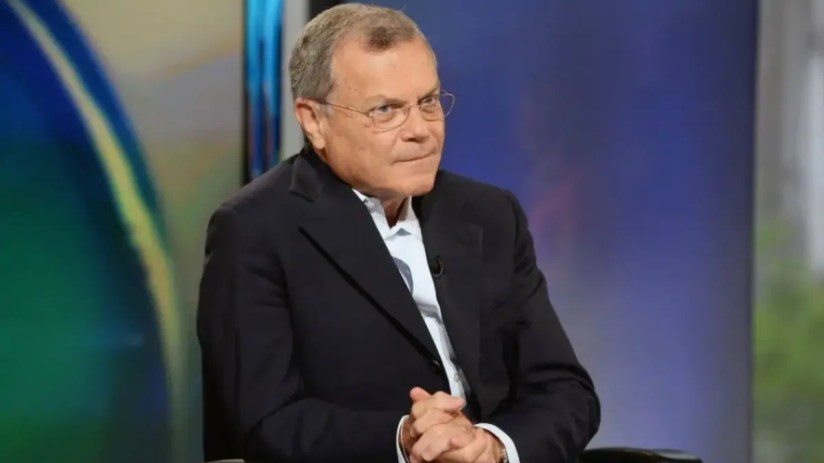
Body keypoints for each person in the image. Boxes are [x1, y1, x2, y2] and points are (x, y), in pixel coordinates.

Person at [197, 4, 600, 462]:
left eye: (428, 102)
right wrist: (407, 439)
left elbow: (565, 390)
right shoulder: (254, 231)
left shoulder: (488, 214)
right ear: (313, 121)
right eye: (386, 110)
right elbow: (266, 422)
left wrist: (492, 447)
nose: (421, 131)